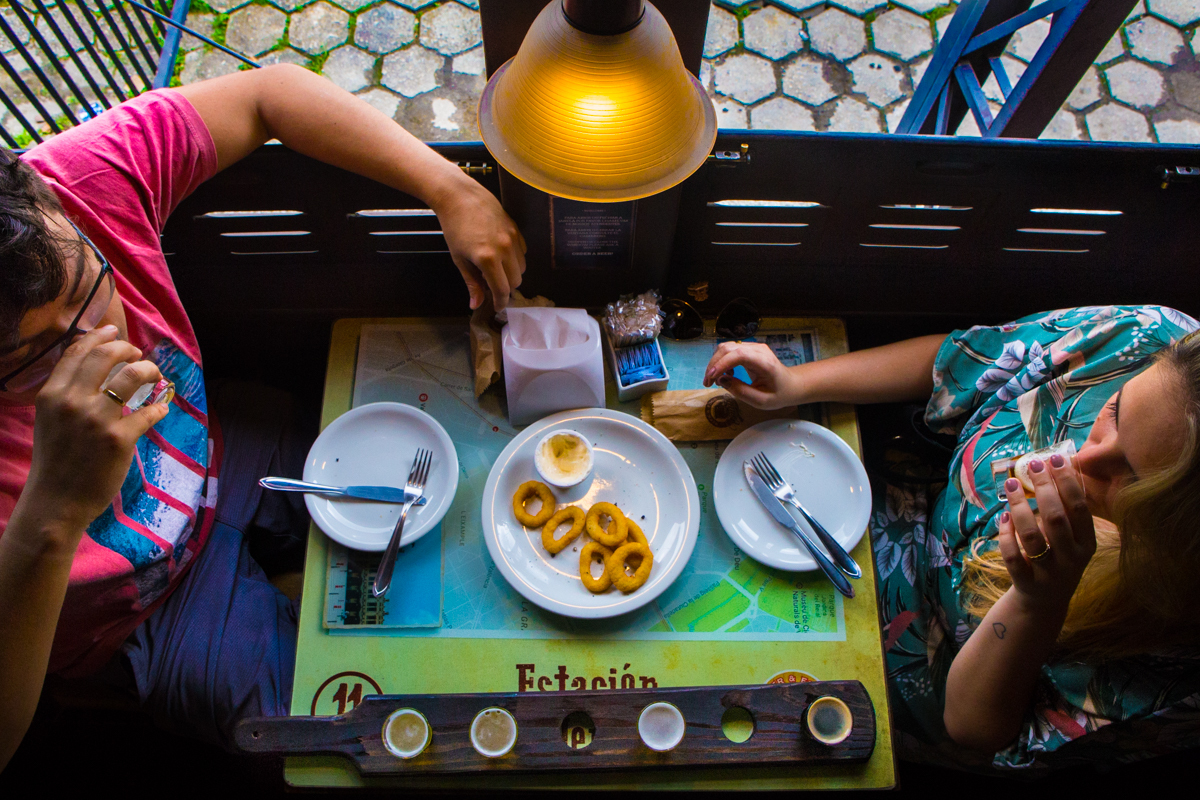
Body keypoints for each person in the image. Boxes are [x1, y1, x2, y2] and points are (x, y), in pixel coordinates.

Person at [0, 64, 526, 769]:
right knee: (369, 734)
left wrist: (451, 188)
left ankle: (283, 576)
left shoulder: (78, 184)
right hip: (139, 619)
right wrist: (54, 514)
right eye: (37, 354)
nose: (101, 347)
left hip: (229, 454)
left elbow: (267, 93)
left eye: (91, 288)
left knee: (447, 497)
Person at [704, 305, 1200, 771]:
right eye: (1113, 413)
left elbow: (973, 729)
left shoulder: (1172, 651)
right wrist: (796, 382)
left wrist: (1037, 601)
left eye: (1132, 478)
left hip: (905, 682)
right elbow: (963, 361)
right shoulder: (1140, 338)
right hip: (880, 499)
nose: (1081, 462)